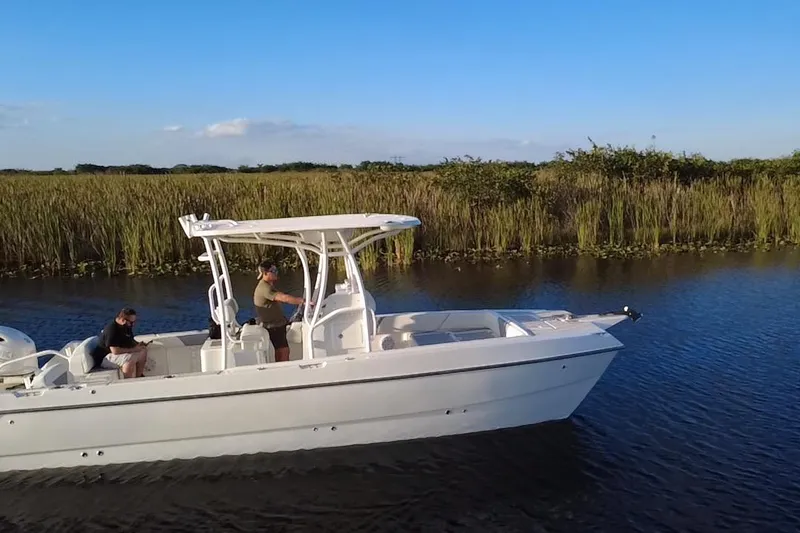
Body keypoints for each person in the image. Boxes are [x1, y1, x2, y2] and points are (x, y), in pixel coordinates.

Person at [253, 260, 310, 362]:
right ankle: (283, 369)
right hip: (274, 326)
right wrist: (303, 301)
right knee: (284, 351)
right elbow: (284, 298)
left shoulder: (268, 285)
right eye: (273, 270)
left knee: (280, 351)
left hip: (277, 324)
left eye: (276, 269)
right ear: (265, 273)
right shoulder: (265, 288)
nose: (276, 272)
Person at [91, 307, 149, 378]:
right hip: (105, 357)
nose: (133, 324)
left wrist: (138, 344)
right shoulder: (112, 330)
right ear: (123, 320)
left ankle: (139, 377)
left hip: (114, 354)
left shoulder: (126, 327)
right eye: (131, 322)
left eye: (134, 322)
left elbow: (129, 340)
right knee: (130, 358)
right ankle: (128, 380)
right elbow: (115, 351)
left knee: (143, 350)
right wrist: (134, 349)